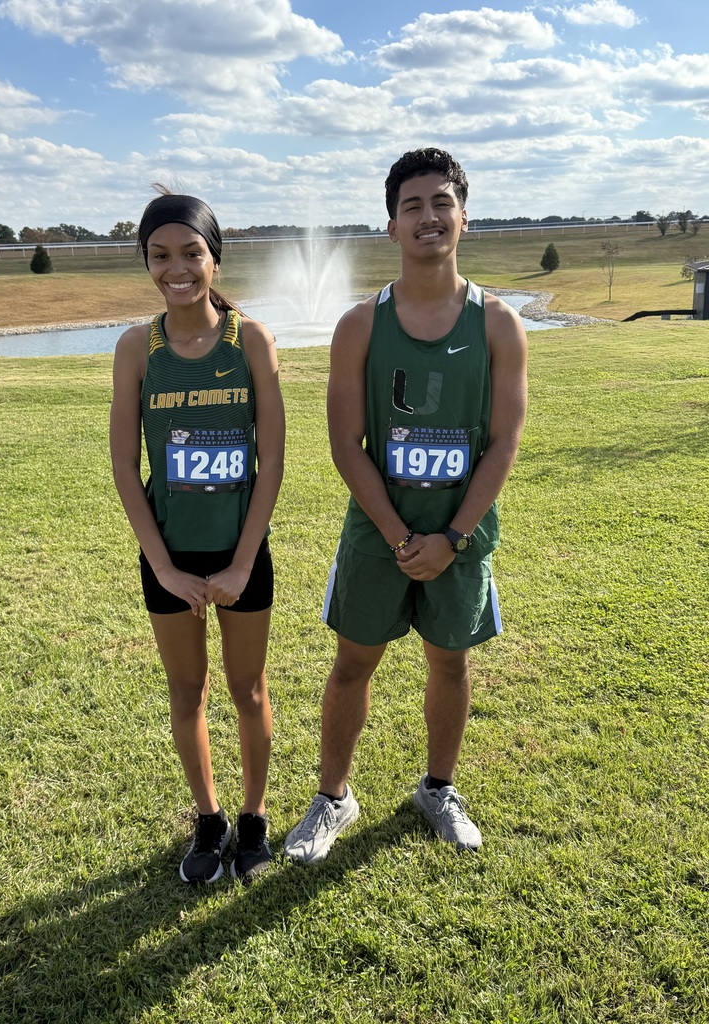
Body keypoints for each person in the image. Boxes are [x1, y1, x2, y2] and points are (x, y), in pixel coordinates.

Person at [284, 148, 527, 863]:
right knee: (353, 665)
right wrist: (398, 537)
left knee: (449, 665)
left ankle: (438, 790)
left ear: (463, 217)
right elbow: (345, 444)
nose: (429, 216)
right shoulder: (360, 325)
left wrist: (452, 535)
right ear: (391, 225)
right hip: (377, 535)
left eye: (441, 202)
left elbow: (504, 443)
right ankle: (333, 798)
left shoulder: (498, 324)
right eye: (412, 205)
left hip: (461, 534)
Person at [110, 187, 285, 883]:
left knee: (248, 691)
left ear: (215, 258)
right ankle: (208, 821)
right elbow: (126, 466)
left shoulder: (251, 340)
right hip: (170, 556)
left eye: (191, 253)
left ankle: (253, 819)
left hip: (242, 555)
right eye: (159, 255)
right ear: (146, 261)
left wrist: (242, 565)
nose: (175, 268)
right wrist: (165, 570)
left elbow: (271, 461)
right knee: (188, 695)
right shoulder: (136, 347)